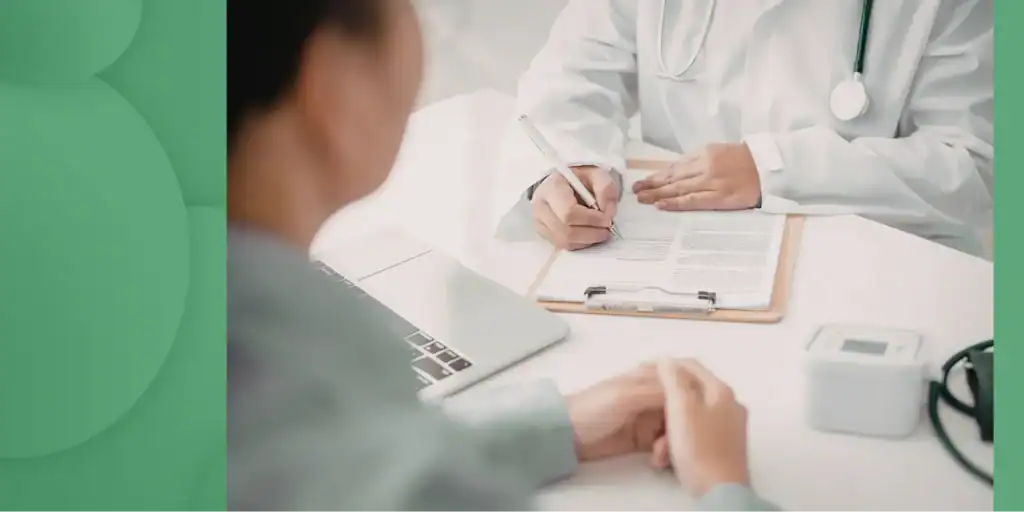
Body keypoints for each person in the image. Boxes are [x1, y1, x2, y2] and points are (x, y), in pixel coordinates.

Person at [227, 1, 783, 511]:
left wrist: (552, 426)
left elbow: (322, 461)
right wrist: (724, 487)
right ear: (332, 88)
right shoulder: (318, 364)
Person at [507, 0, 993, 257]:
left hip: (867, 261)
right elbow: (574, 68)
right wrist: (572, 163)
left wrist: (776, 168)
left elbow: (972, 164)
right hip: (669, 248)